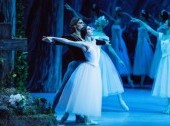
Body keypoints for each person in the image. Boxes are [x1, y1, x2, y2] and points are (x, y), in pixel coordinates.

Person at [43, 26, 102, 124]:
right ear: (85, 32)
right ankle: (63, 116)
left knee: (88, 94)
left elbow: (103, 39)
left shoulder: (95, 41)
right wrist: (52, 38)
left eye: (92, 29)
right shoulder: (84, 44)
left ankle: (84, 117)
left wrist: (106, 41)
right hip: (86, 69)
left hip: (95, 70)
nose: (92, 29)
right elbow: (67, 41)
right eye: (89, 29)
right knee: (77, 92)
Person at [131, 18, 170, 114]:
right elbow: (150, 30)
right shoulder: (162, 35)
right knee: (167, 83)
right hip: (164, 61)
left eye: (165, 22)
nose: (163, 24)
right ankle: (168, 104)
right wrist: (141, 22)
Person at [93, 15, 129, 111]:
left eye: (99, 19)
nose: (97, 20)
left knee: (111, 77)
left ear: (101, 24)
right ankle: (94, 101)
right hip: (92, 56)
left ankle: (121, 99)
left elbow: (110, 48)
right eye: (98, 19)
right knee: (94, 78)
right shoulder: (91, 31)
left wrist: (119, 59)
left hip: (101, 57)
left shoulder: (104, 36)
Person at [103, 7, 134, 87]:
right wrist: (103, 11)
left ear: (117, 13)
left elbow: (118, 35)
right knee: (117, 59)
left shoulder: (118, 21)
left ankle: (125, 80)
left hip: (118, 43)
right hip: (115, 42)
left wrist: (120, 44)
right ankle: (126, 79)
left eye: (115, 12)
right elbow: (119, 30)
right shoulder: (117, 21)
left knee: (120, 58)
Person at [133, 10, 154, 87]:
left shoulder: (145, 24)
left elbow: (146, 34)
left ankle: (142, 82)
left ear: (144, 16)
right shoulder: (140, 23)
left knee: (144, 61)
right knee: (140, 61)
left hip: (143, 43)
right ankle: (141, 82)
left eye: (141, 15)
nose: (140, 16)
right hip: (139, 43)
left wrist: (150, 42)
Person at [149, 10, 169, 79]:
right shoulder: (161, 24)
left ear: (162, 17)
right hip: (159, 44)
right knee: (158, 60)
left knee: (161, 59)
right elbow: (156, 22)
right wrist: (151, 18)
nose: (159, 17)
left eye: (159, 16)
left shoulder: (165, 26)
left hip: (163, 44)